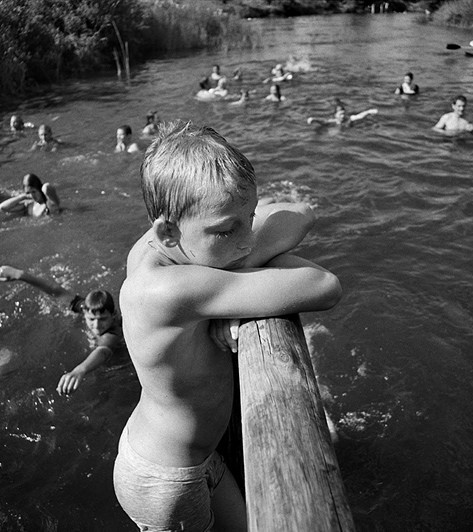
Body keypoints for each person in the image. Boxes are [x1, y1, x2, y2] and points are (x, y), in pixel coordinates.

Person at [113, 121, 342, 531]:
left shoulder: (163, 246)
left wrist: (234, 276)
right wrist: (241, 277)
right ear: (168, 231)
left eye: (249, 218)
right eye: (226, 230)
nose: (245, 240)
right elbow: (324, 285)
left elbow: (301, 213)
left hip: (203, 456)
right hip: (166, 477)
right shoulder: (166, 290)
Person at [0, 265, 124, 395]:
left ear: (113, 315)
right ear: (84, 312)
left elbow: (103, 351)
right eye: (91, 319)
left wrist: (80, 370)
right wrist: (19, 275)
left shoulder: (112, 334)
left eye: (103, 319)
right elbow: (55, 291)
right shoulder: (85, 307)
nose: (97, 325)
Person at [307, 99, 378, 126]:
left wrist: (368, 111)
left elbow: (359, 116)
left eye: (344, 114)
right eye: (340, 114)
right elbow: (324, 121)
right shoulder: (333, 121)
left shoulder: (349, 119)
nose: (343, 116)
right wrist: (314, 119)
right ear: (335, 115)